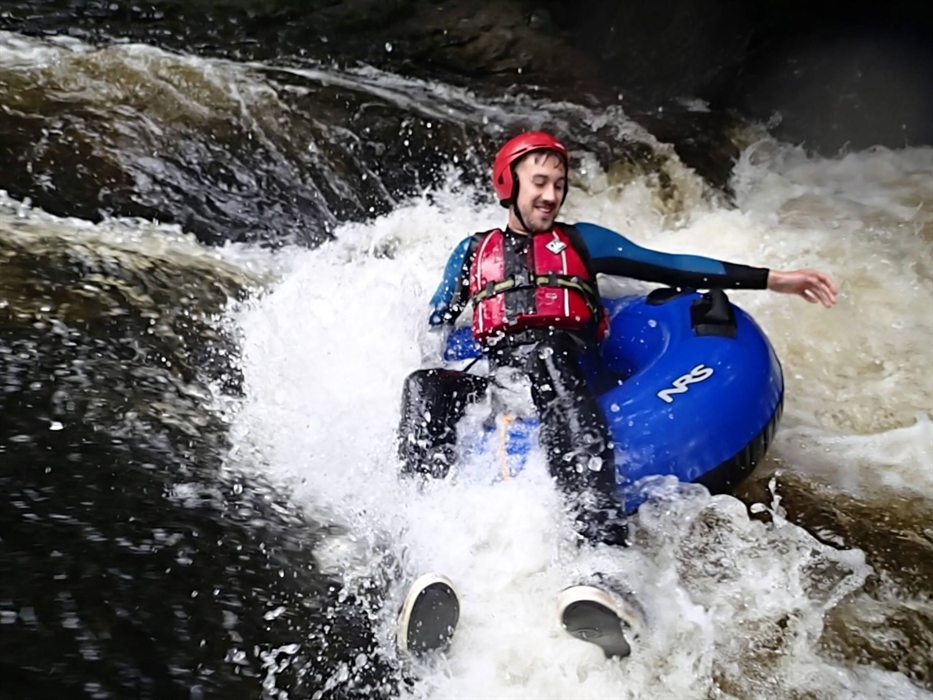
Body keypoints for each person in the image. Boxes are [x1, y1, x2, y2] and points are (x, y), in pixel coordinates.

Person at [394, 131, 837, 661]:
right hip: (502, 388)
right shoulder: (471, 254)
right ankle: (418, 555)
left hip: (566, 371)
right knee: (423, 386)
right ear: (508, 184)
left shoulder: (582, 242)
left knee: (548, 355)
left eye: (559, 184)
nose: (551, 195)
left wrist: (774, 279)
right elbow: (436, 326)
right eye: (540, 182)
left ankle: (605, 560)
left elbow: (670, 266)